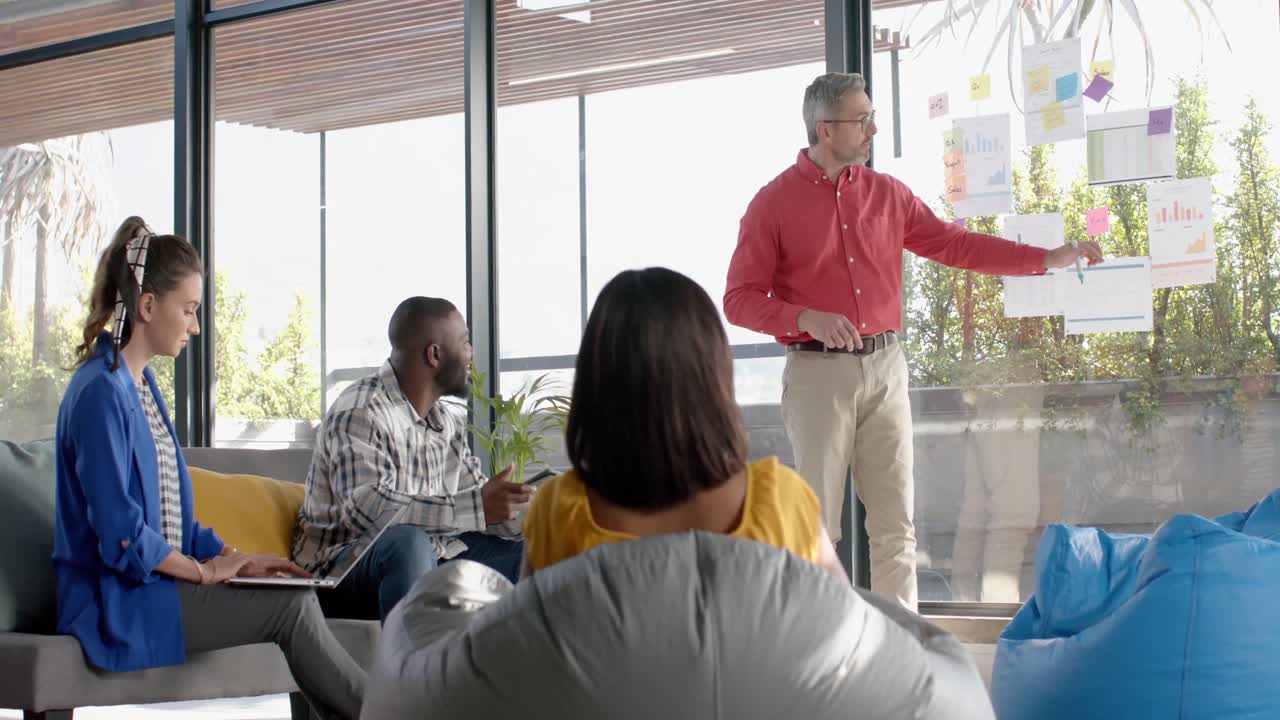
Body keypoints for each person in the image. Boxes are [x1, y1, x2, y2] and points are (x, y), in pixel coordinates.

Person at [723, 72, 1104, 610]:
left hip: (886, 367)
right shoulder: (772, 204)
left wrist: (1044, 259)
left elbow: (957, 245)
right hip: (817, 375)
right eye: (863, 119)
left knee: (896, 524)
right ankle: (815, 645)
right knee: (815, 527)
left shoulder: (888, 195)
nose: (874, 129)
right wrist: (804, 316)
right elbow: (738, 299)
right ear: (825, 129)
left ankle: (903, 645)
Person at [53, 216, 364, 720]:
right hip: (115, 601)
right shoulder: (98, 394)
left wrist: (238, 559)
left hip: (151, 586)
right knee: (290, 610)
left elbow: (172, 523)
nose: (196, 327)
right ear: (148, 306)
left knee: (292, 593)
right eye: (190, 310)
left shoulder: (145, 389)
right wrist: (202, 572)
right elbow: (122, 535)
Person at [521, 267, 846, 580]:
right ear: (713, 375)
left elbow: (527, 631)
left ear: (595, 382)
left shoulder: (557, 514)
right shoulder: (780, 502)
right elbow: (848, 627)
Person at [294, 296, 533, 623]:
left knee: (534, 554)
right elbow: (367, 510)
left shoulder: (445, 422)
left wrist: (529, 509)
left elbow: (475, 499)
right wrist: (476, 507)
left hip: (431, 557)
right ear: (435, 354)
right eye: (465, 343)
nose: (471, 354)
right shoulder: (361, 409)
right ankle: (410, 670)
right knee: (408, 543)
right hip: (340, 570)